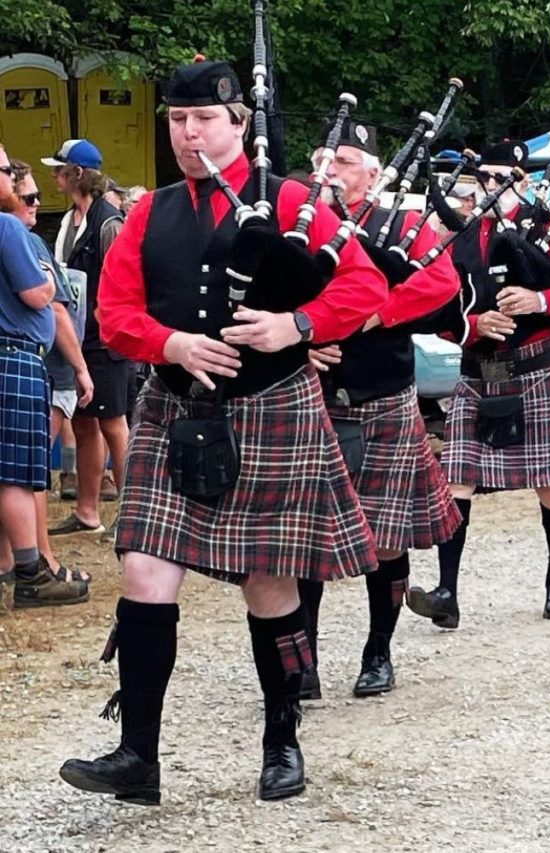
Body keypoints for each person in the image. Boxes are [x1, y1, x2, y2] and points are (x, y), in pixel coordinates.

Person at [58, 58, 385, 806]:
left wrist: (294, 324)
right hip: (178, 409)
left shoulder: (293, 200)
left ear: (240, 123)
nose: (188, 132)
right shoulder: (148, 212)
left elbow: (365, 284)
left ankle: (282, 738)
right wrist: (169, 344)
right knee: (144, 572)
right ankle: (137, 753)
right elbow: (116, 314)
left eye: (203, 118)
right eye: (176, 119)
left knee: (269, 584)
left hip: (270, 405)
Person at [405, 140, 550, 627]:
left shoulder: (549, 232)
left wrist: (539, 301)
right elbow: (435, 303)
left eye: (502, 179)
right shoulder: (464, 235)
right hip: (481, 369)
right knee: (458, 480)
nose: (491, 188)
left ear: (522, 181)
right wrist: (473, 324)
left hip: (538, 366)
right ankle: (447, 593)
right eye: (486, 179)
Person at [296, 119, 463, 699]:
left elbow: (442, 283)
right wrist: (304, 337)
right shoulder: (297, 220)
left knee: (386, 536)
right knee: (305, 538)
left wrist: (377, 311)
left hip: (381, 394)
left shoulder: (401, 226)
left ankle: (378, 652)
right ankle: (303, 663)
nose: (332, 170)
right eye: (325, 158)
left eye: (344, 160)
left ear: (372, 172)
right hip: (312, 395)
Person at [9, 160, 96, 594]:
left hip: (34, 362)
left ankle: (16, 560)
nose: (36, 203)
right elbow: (52, 303)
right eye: (27, 196)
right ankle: (39, 565)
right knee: (27, 473)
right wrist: (81, 368)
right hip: (31, 363)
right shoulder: (15, 234)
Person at [42, 138, 127, 535]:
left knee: (113, 422)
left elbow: (122, 278)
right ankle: (88, 511)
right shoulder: (72, 219)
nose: (54, 175)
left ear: (77, 174)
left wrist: (108, 322)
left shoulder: (109, 221)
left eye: (60, 169)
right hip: (81, 333)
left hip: (105, 336)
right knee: (85, 423)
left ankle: (132, 514)